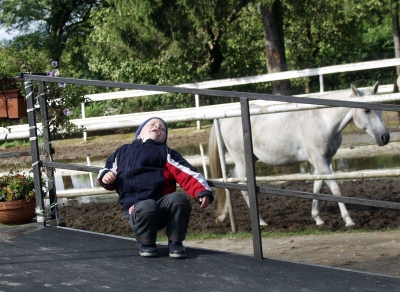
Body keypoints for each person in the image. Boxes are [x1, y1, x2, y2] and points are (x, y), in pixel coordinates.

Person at [97, 117, 214, 259]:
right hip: (137, 209)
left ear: (164, 139)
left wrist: (201, 190)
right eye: (152, 124)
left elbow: (187, 172)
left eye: (162, 129)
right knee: (148, 205)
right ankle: (146, 243)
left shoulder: (165, 152)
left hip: (163, 208)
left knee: (178, 198)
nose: (157, 127)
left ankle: (176, 242)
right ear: (139, 133)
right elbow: (108, 169)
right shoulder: (122, 152)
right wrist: (106, 177)